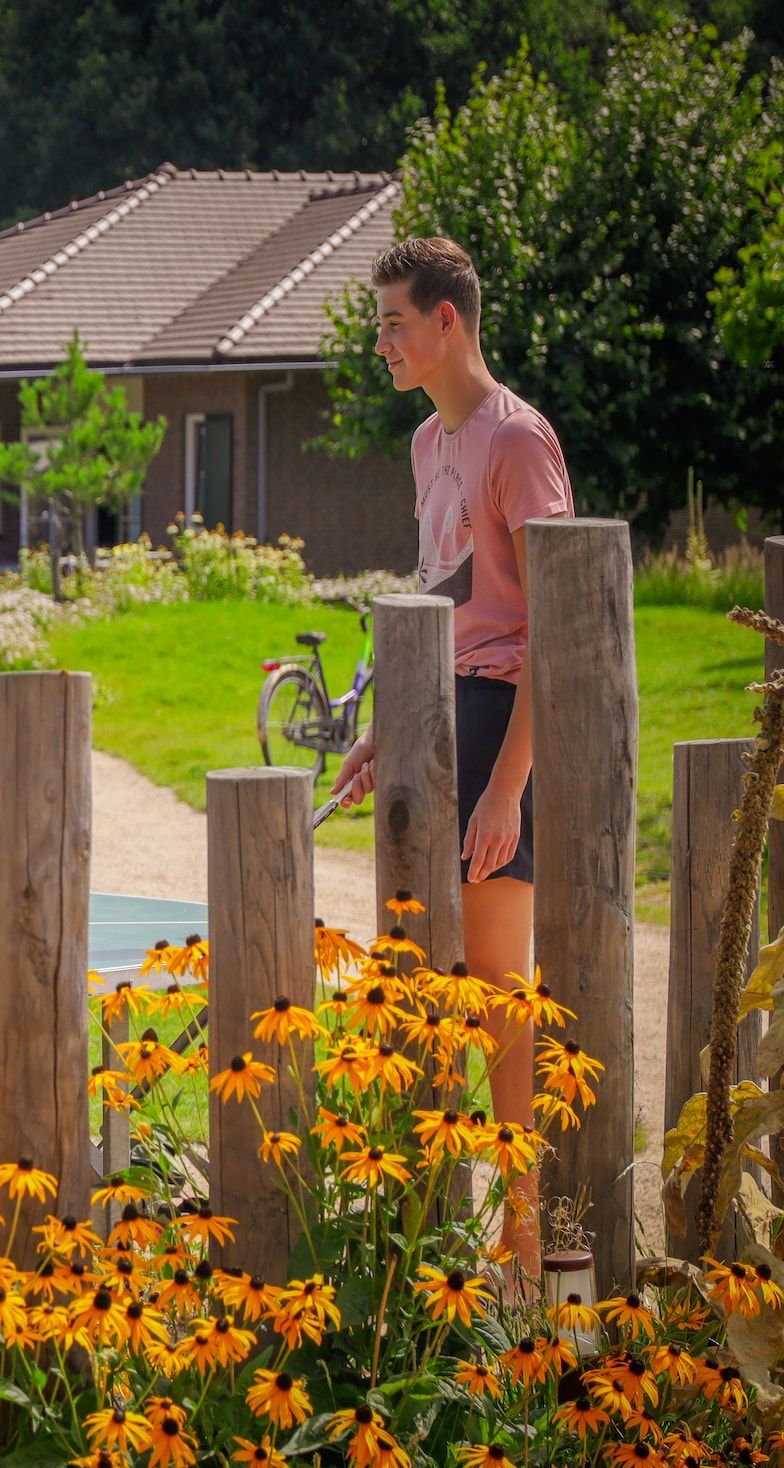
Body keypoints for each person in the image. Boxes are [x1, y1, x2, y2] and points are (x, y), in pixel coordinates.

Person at [326, 235, 573, 1291]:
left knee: (494, 998)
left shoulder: (516, 442)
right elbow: (438, 596)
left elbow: (557, 625)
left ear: (446, 323)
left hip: (500, 720)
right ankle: (433, 1239)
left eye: (391, 322)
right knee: (422, 981)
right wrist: (385, 723)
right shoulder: (430, 444)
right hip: (434, 710)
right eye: (376, 321)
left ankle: (521, 1255)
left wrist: (509, 785)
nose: (378, 340)